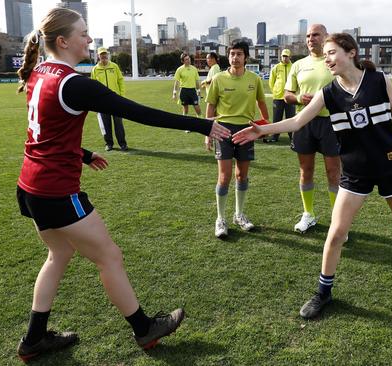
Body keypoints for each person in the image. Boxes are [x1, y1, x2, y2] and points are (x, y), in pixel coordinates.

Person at [14, 8, 231, 362]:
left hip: (30, 186)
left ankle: (34, 339)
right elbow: (139, 113)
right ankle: (144, 328)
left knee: (59, 254)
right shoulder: (75, 83)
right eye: (83, 33)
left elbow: (44, 132)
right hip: (56, 190)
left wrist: (82, 154)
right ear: (64, 41)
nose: (89, 39)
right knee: (109, 257)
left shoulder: (40, 71)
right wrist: (202, 126)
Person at [232, 33, 392, 319]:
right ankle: (323, 293)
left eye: (331, 52)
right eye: (324, 54)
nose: (326, 59)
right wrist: (263, 129)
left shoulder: (379, 81)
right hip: (354, 172)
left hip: (390, 165)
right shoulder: (329, 93)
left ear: (351, 52)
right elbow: (299, 120)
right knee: (336, 233)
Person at [205, 40, 269, 238]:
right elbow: (211, 107)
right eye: (232, 54)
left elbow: (261, 102)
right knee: (224, 177)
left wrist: (266, 125)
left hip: (246, 130)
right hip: (223, 129)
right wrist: (208, 133)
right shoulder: (218, 79)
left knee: (242, 175)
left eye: (239, 54)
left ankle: (239, 214)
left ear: (246, 57)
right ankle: (220, 218)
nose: (235, 57)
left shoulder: (254, 79)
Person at [284, 24, 341, 234]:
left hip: (332, 123)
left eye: (315, 34)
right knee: (305, 171)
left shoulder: (334, 61)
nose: (311, 38)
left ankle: (338, 221)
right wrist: (298, 97)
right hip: (304, 122)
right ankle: (308, 214)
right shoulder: (298, 65)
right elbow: (287, 94)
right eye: (308, 35)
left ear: (325, 37)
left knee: (333, 172)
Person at [90, 47, 128, 151]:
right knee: (106, 124)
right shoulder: (95, 69)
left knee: (118, 124)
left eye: (105, 54)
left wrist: (121, 95)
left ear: (107, 55)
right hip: (102, 101)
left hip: (116, 100)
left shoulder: (114, 67)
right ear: (98, 56)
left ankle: (122, 144)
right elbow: (93, 86)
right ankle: (109, 144)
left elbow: (120, 81)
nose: (104, 56)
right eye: (101, 54)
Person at [265, 48, 295, 143]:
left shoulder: (294, 67)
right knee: (277, 118)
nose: (285, 58)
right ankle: (275, 136)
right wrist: (275, 91)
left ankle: (292, 137)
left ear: (290, 57)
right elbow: (271, 81)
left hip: (290, 97)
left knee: (290, 118)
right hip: (278, 97)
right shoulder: (276, 67)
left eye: (286, 56)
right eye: (283, 56)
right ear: (281, 56)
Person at [172, 53, 202, 120]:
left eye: (189, 59)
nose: (188, 60)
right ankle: (186, 126)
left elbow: (197, 81)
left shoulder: (194, 69)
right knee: (185, 109)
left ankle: (201, 124)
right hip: (184, 91)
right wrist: (174, 93)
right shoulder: (179, 69)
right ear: (183, 61)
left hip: (193, 91)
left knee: (197, 108)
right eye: (186, 59)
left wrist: (199, 90)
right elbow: (176, 82)